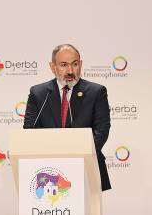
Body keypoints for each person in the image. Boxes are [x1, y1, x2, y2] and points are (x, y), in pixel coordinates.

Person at [23, 44, 112, 191]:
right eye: (63, 65)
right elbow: (30, 130)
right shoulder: (38, 93)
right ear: (53, 67)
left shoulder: (96, 92)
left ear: (81, 64)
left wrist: (79, 157)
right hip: (47, 169)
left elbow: (102, 131)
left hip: (87, 167)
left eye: (75, 64)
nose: (70, 71)